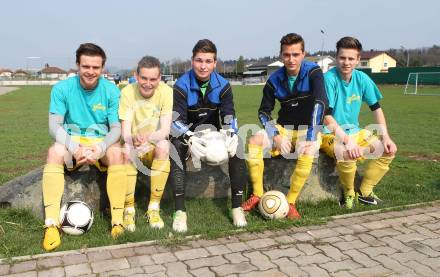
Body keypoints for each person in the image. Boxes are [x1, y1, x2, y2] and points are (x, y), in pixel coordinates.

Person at [42, 43, 126, 251]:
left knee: (117, 153)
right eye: (86, 66)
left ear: (102, 68)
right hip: (74, 143)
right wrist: (74, 146)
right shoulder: (62, 89)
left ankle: (117, 221)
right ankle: (51, 224)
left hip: (99, 143)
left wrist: (100, 148)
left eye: (95, 67)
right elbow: (54, 126)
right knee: (54, 152)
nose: (90, 71)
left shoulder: (111, 90)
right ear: (78, 65)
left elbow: (116, 128)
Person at [242, 33, 328, 220]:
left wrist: (312, 136)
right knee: (254, 140)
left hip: (309, 129)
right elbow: (264, 112)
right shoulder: (274, 80)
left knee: (308, 149)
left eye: (296, 54)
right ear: (281, 55)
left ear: (304, 54)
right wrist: (276, 136)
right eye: (287, 55)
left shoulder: (314, 72)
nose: (291, 59)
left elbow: (321, 103)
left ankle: (290, 203)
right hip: (284, 129)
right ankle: (256, 194)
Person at [169, 39, 247, 232]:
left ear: (214, 63)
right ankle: (180, 211)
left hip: (213, 136)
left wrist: (231, 133)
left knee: (238, 144)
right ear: (192, 61)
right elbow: (175, 121)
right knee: (175, 148)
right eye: (199, 60)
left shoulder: (223, 85)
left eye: (208, 61)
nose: (203, 66)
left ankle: (237, 207)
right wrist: (189, 138)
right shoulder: (181, 85)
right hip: (188, 136)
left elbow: (229, 114)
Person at [321, 36, 397, 208]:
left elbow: (376, 108)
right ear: (336, 58)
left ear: (357, 60)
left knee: (389, 150)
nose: (346, 62)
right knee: (345, 152)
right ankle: (348, 193)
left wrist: (385, 137)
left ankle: (365, 192)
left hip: (355, 130)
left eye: (350, 58)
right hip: (328, 132)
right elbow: (326, 117)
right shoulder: (328, 79)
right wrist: (348, 142)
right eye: (342, 58)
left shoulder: (362, 79)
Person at [119, 56, 172, 231]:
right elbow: (125, 131)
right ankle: (129, 209)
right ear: (136, 75)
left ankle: (153, 208)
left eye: (153, 79)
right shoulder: (127, 92)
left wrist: (148, 138)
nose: (148, 83)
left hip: (152, 145)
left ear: (159, 78)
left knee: (164, 145)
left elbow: (165, 130)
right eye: (144, 78)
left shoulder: (166, 92)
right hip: (133, 146)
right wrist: (133, 140)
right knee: (125, 149)